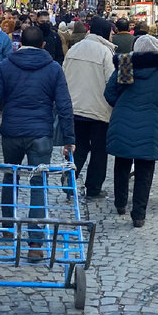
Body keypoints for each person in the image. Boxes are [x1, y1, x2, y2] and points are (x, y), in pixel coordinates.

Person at [0, 26, 74, 255]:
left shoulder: (6, 67)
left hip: (12, 131)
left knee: (10, 176)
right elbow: (64, 106)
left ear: (19, 44)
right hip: (41, 132)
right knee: (38, 183)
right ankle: (35, 241)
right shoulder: (53, 69)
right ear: (43, 45)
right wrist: (69, 138)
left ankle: (9, 227)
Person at [104, 36, 158, 228]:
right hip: (150, 126)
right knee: (145, 171)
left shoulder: (125, 66)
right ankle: (139, 215)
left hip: (122, 121)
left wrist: (123, 104)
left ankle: (120, 204)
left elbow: (109, 94)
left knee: (121, 164)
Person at [62, 16, 116, 198]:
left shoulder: (74, 48)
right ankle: (93, 188)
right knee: (100, 151)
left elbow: (64, 75)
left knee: (79, 146)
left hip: (75, 108)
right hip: (99, 110)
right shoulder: (105, 52)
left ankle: (70, 178)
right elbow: (111, 82)